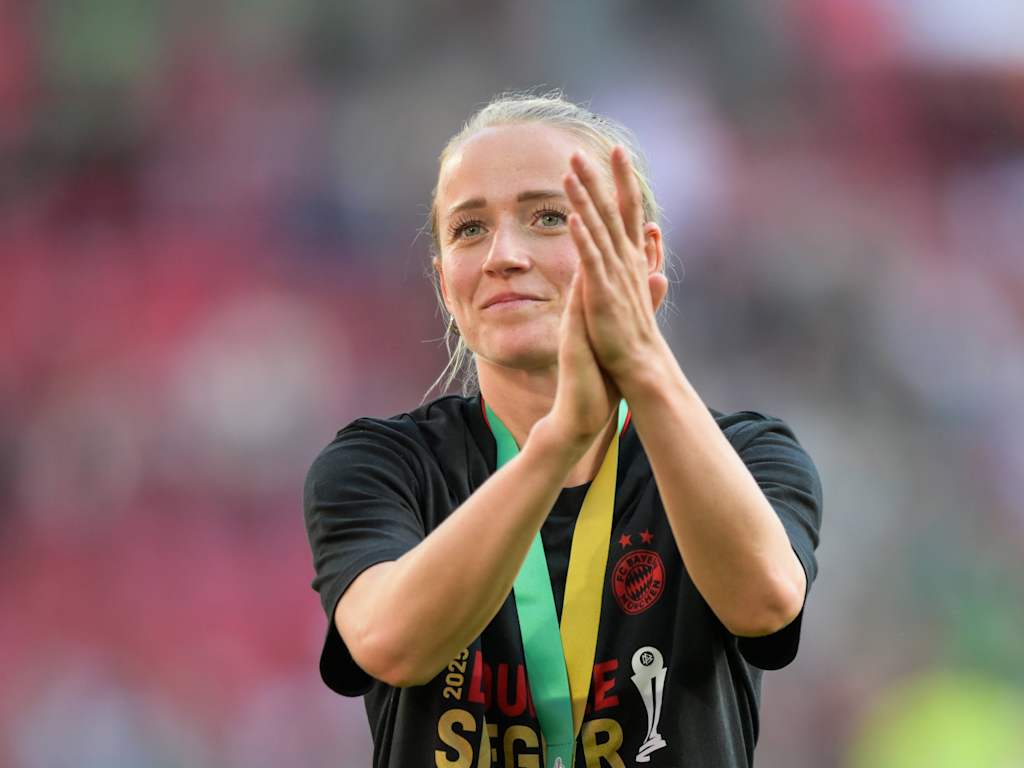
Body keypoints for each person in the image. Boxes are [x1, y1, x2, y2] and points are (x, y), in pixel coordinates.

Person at [303, 91, 822, 768]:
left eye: (549, 217)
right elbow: (390, 645)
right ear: (446, 285)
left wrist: (641, 364)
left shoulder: (748, 455)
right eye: (469, 230)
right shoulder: (381, 466)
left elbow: (765, 603)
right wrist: (558, 443)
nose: (503, 255)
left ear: (642, 253)